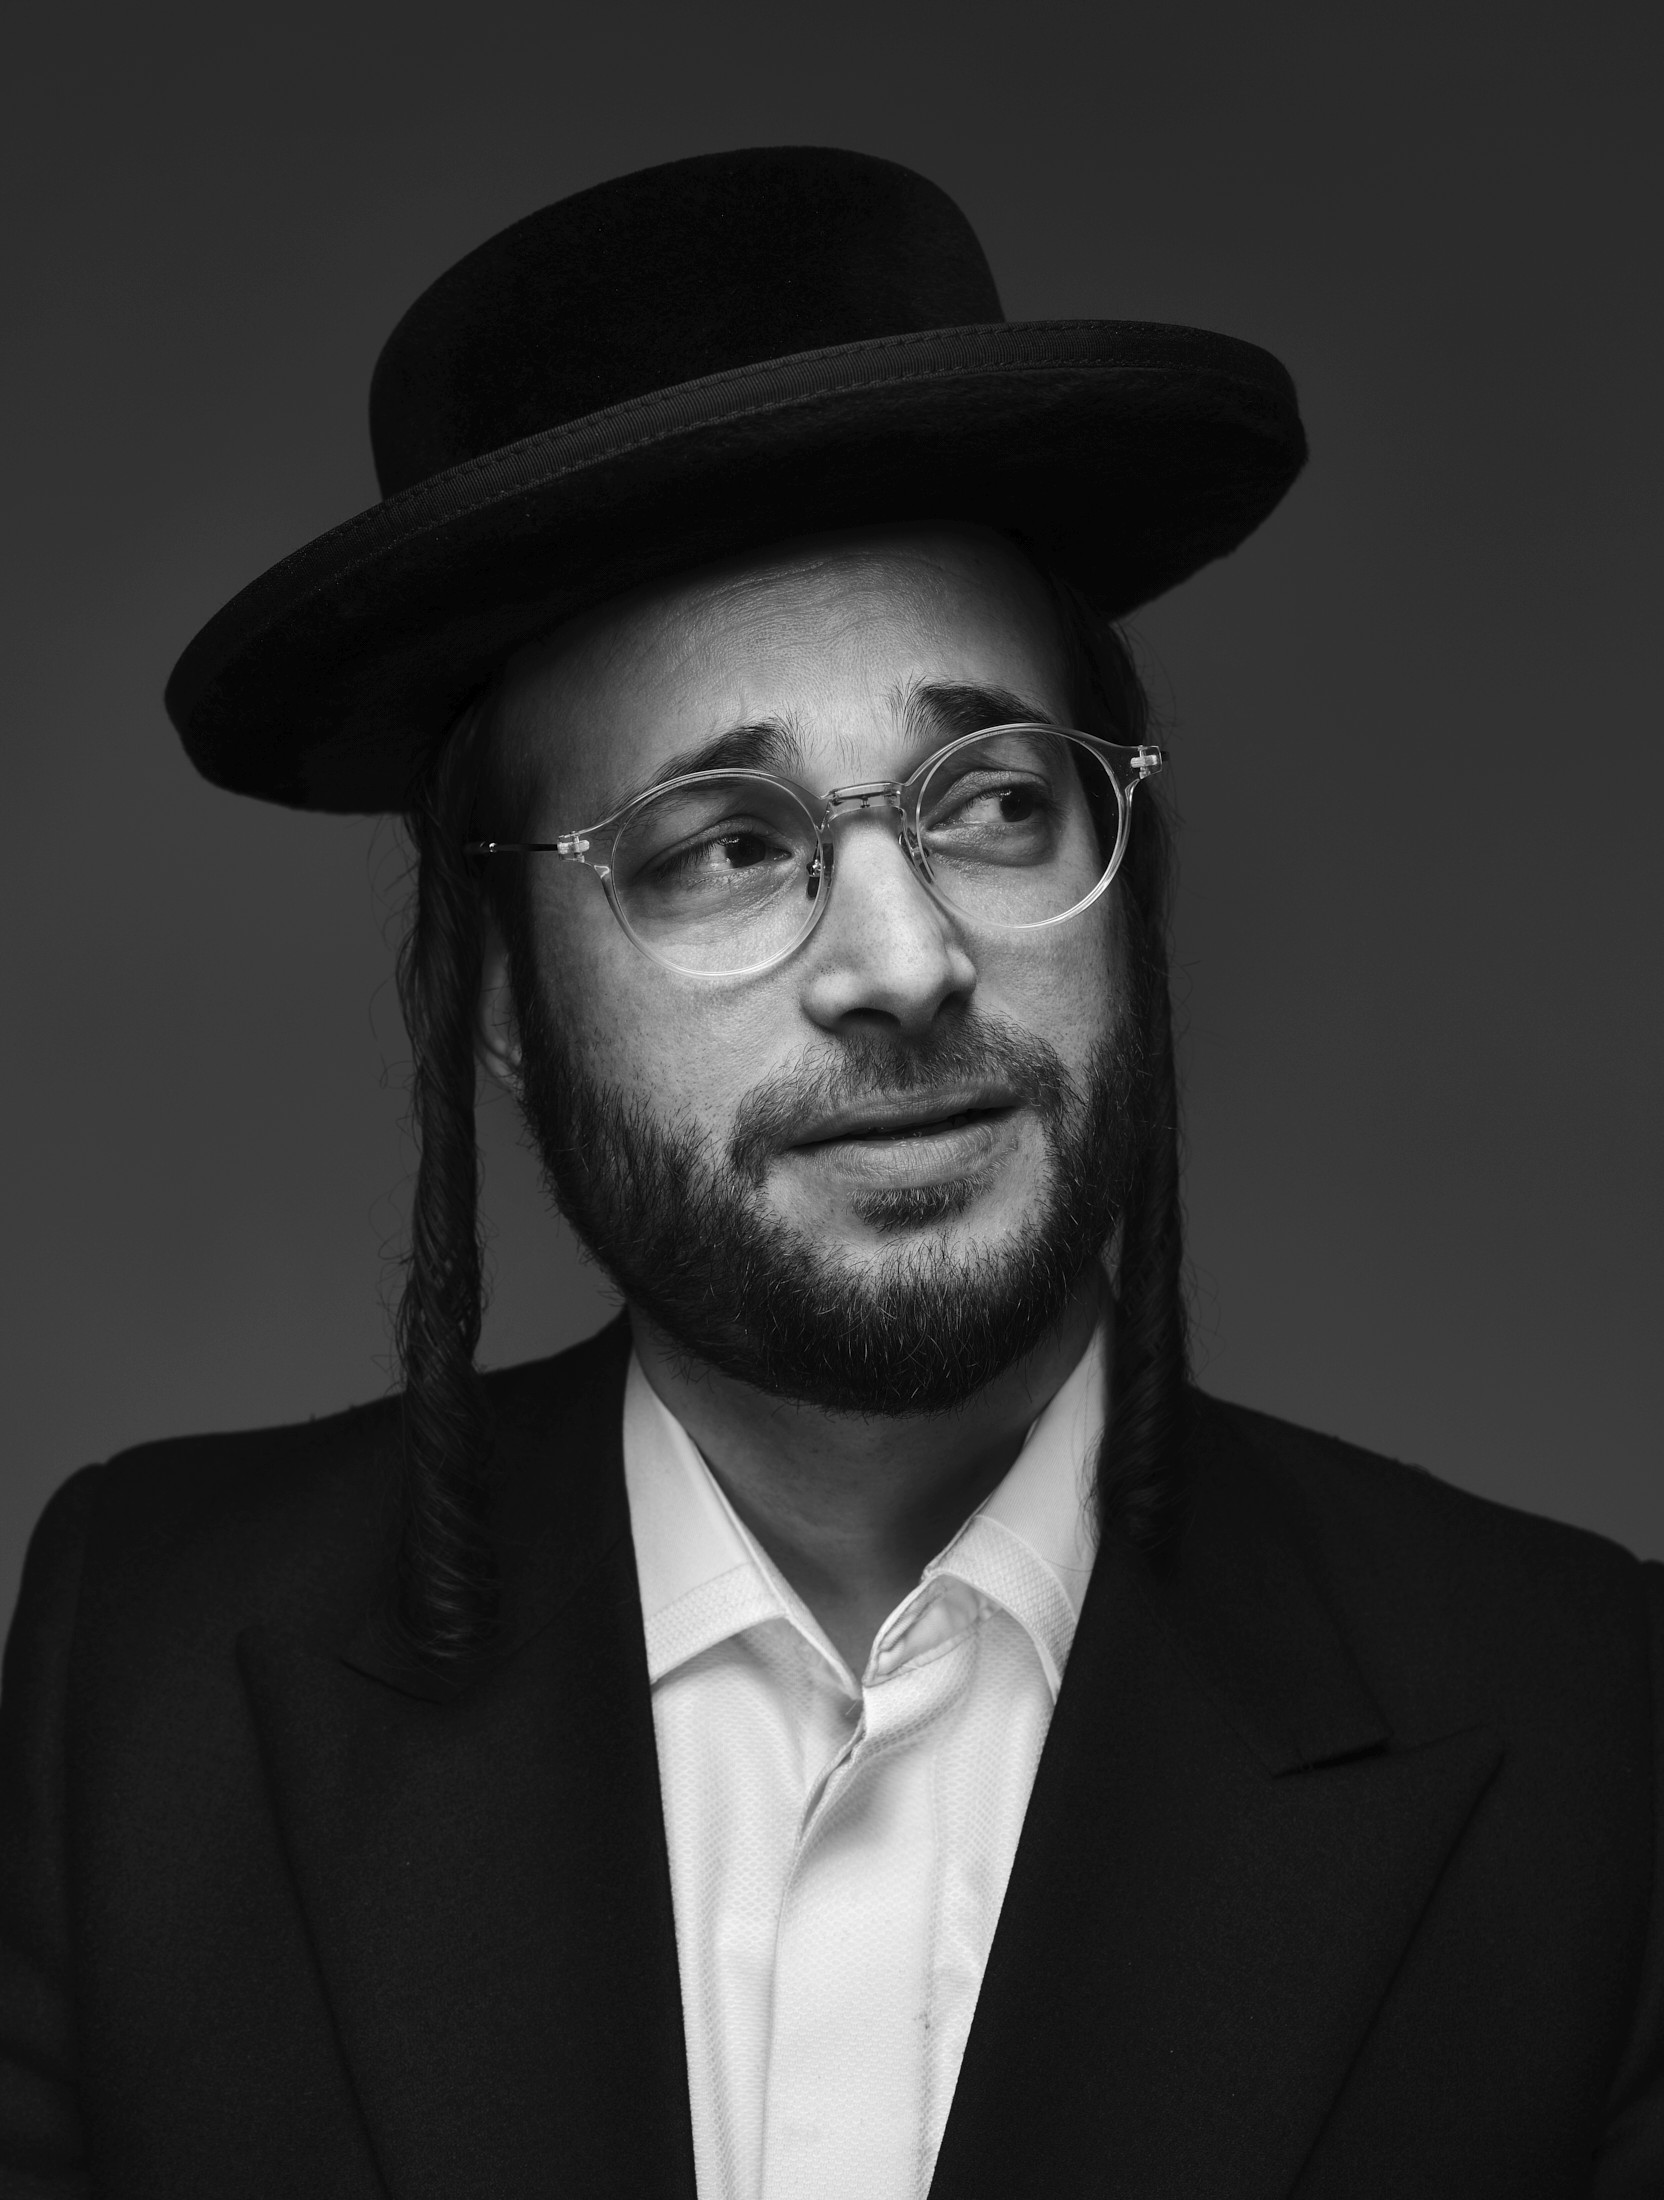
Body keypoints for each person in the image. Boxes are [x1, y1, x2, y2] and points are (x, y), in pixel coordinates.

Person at [0, 145, 1658, 2200]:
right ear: (503, 995)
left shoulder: (1585, 1729)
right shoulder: (151, 1664)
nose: (903, 957)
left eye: (993, 801)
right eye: (721, 843)